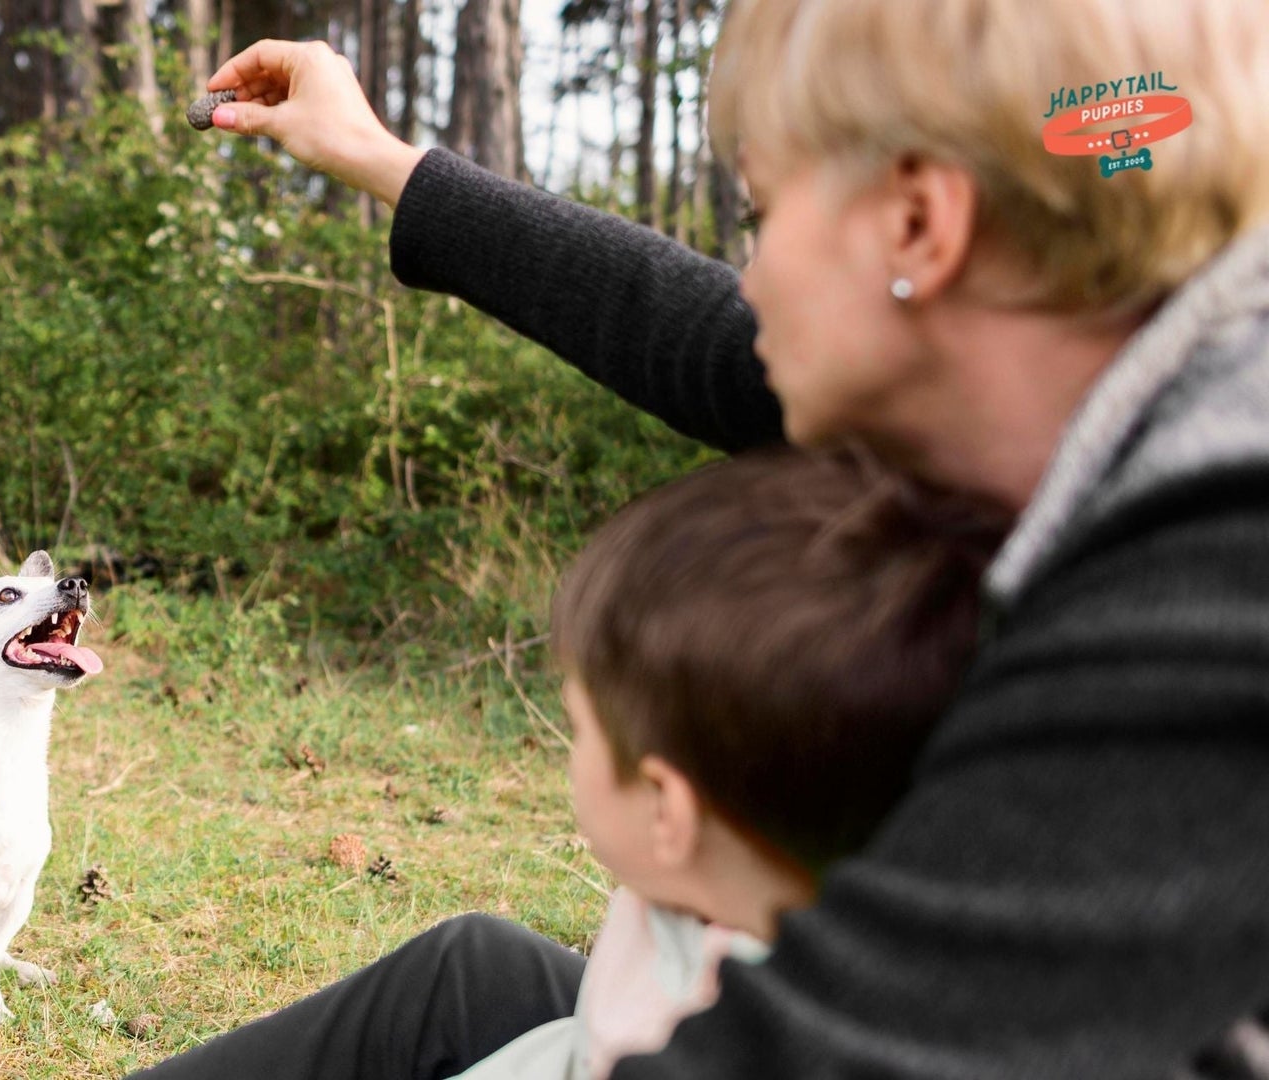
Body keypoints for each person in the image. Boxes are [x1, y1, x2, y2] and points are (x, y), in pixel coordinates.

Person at [132, 0, 1269, 1076]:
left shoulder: (1217, 583)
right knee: (467, 980)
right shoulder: (1084, 390)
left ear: (920, 225)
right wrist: (378, 156)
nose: (752, 278)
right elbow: (701, 337)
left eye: (765, 215)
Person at [451, 447, 1009, 1080]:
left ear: (669, 809)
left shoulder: (685, 1040)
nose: (569, 750)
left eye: (578, 729)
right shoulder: (809, 938)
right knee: (463, 958)